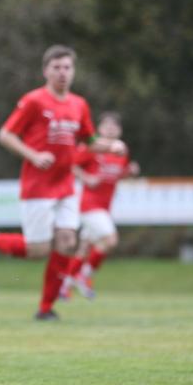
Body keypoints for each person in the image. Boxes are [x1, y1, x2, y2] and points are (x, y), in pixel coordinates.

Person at [0, 45, 126, 321]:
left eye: (67, 67)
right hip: (38, 184)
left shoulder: (79, 105)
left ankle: (46, 308)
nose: (62, 73)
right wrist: (34, 154)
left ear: (73, 71)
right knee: (38, 250)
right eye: (57, 67)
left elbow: (88, 142)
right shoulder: (34, 101)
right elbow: (5, 135)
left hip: (65, 184)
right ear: (46, 71)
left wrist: (111, 146)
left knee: (67, 242)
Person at [60, 112, 139, 300]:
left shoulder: (121, 152)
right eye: (107, 125)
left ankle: (64, 287)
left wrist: (130, 172)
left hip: (104, 207)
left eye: (115, 126)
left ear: (120, 130)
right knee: (110, 240)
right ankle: (84, 275)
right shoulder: (92, 147)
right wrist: (86, 177)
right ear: (99, 128)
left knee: (84, 247)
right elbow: (70, 165)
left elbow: (117, 175)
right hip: (88, 205)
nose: (111, 129)